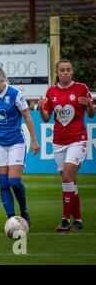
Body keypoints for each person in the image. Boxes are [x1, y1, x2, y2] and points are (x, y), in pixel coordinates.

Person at [37, 59, 94, 231]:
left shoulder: (81, 88)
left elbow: (91, 114)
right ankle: (78, 220)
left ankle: (64, 219)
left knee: (67, 177)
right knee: (70, 182)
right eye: (62, 70)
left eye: (68, 70)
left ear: (72, 71)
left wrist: (90, 105)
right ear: (57, 73)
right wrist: (40, 108)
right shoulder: (51, 91)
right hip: (58, 141)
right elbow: (46, 118)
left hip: (78, 138)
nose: (65, 73)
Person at [0, 63, 39, 226]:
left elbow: (27, 117)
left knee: (14, 181)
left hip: (16, 142)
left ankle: (24, 210)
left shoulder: (15, 94)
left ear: (3, 80)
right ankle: (12, 219)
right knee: (3, 183)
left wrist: (34, 140)